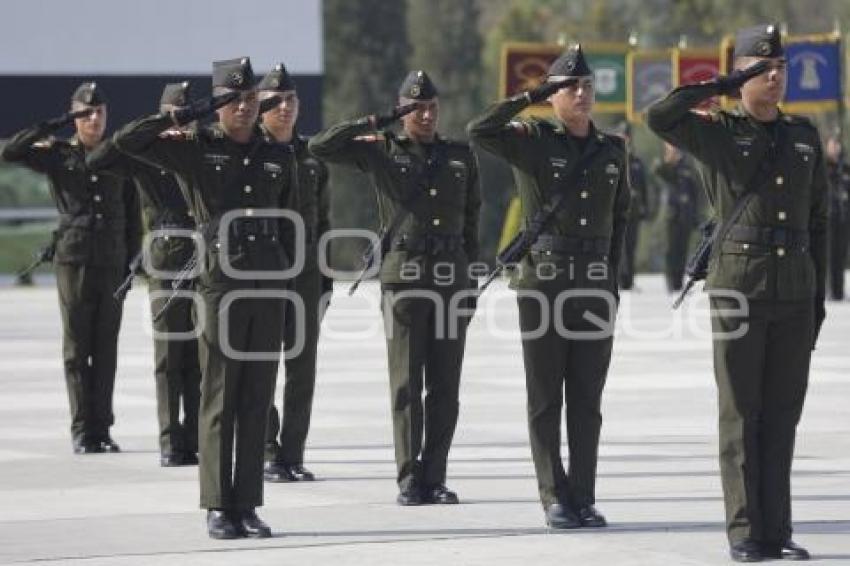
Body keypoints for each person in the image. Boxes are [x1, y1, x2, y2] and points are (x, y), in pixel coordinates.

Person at [648, 24, 826, 562]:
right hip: (738, 290)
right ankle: (746, 531)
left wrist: (816, 300)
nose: (774, 78)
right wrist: (724, 81)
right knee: (741, 414)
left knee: (782, 415)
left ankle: (778, 530)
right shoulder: (719, 130)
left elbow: (818, 222)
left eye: (779, 70)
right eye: (761, 69)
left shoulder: (803, 136)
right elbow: (660, 116)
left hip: (794, 290)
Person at [110, 57, 298, 539]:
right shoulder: (195, 148)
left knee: (257, 398)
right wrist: (177, 115)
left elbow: (291, 225)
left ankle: (248, 503)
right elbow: (127, 142)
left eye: (250, 99)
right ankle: (218, 505)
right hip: (221, 287)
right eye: (232, 99)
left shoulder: (279, 153)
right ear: (217, 104)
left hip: (269, 285)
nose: (243, 107)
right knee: (218, 395)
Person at [467, 44, 630, 529]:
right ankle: (553, 495)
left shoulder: (613, 150)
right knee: (545, 397)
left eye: (585, 86)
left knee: (587, 400)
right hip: (543, 285)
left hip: (594, 287)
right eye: (569, 88)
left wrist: (613, 284)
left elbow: (621, 220)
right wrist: (534, 93)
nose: (580, 94)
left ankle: (583, 494)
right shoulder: (533, 139)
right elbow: (481, 130)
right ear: (554, 96)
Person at [309, 70, 481, 505]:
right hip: (404, 279)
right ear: (403, 110)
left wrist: (471, 278)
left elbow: (473, 220)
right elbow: (321, 146)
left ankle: (435, 476)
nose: (425, 115)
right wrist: (379, 120)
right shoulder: (382, 151)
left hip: (450, 280)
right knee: (406, 384)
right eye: (415, 108)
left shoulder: (460, 156)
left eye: (431, 108)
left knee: (445, 387)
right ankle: (408, 477)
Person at [1, 82, 141, 454]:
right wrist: (57, 123)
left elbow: (132, 216)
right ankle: (82, 430)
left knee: (106, 348)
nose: (94, 119)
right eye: (86, 113)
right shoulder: (57, 154)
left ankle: (103, 429)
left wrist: (132, 262)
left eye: (99, 112)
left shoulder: (118, 156)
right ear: (76, 114)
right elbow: (11, 151)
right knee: (78, 349)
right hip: (74, 260)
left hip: (112, 262)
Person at [87, 82, 201, 467]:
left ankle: (198, 436)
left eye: (186, 118)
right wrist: (155, 125)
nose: (180, 127)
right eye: (175, 116)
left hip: (205, 259)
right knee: (170, 355)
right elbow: (98, 159)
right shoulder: (144, 154)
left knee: (201, 355)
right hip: (166, 261)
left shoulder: (201, 150)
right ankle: (172, 441)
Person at [258, 63, 331, 482]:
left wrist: (323, 278)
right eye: (276, 101)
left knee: (302, 367)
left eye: (291, 100)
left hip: (305, 272)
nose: (285, 108)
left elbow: (324, 222)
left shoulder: (312, 159)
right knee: (265, 363)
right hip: (265, 271)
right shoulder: (253, 152)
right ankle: (267, 449)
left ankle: (293, 453)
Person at [653, 142, 703, 292]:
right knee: (670, 251)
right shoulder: (669, 167)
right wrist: (668, 159)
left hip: (685, 216)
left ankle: (678, 283)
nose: (674, 151)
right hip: (672, 215)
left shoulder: (688, 168)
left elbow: (695, 193)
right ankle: (670, 283)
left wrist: (695, 215)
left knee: (682, 251)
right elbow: (658, 170)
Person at [615, 122, 650, 290]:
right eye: (622, 135)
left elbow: (644, 187)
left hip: (634, 210)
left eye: (626, 135)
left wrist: (645, 207)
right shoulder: (613, 157)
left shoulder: (636, 162)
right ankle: (620, 279)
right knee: (619, 244)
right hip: (617, 210)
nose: (625, 138)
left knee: (631, 245)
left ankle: (629, 279)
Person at [825, 133, 850, 300]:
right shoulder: (823, 168)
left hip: (843, 218)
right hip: (828, 218)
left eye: (837, 145)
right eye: (832, 145)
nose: (835, 148)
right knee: (829, 256)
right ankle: (830, 290)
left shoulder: (846, 168)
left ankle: (839, 291)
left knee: (841, 255)